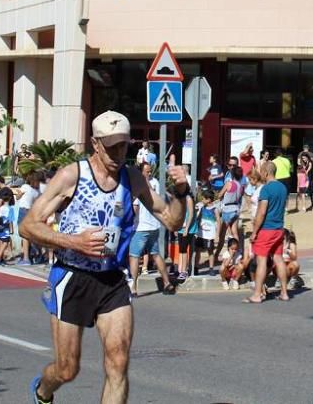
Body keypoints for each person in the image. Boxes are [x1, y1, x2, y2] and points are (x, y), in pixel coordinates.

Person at [20, 110, 188, 404]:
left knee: (118, 363)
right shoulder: (73, 175)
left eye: (123, 145)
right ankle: (43, 391)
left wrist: (183, 192)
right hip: (73, 276)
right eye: (111, 146)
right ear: (95, 144)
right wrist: (74, 242)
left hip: (113, 279)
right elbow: (28, 226)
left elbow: (171, 221)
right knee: (67, 369)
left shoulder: (132, 178)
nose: (118, 153)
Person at [244, 161, 290, 303]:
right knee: (278, 259)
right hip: (279, 228)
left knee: (261, 260)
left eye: (261, 171)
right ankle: (284, 292)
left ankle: (257, 294)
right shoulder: (283, 188)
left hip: (266, 229)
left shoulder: (266, 189)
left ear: (266, 172)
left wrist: (254, 232)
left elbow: (261, 212)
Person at [129, 163, 174, 296]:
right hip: (154, 225)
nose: (149, 173)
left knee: (134, 256)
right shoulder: (156, 183)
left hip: (141, 226)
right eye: (147, 171)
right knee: (156, 254)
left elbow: (135, 206)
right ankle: (167, 283)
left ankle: (134, 288)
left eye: (149, 171)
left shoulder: (139, 184)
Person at [214, 165, 244, 258]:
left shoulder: (229, 184)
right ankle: (237, 253)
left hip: (227, 210)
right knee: (235, 232)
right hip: (236, 209)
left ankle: (216, 255)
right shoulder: (241, 186)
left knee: (222, 235)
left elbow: (219, 195)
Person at [16, 171, 44, 265]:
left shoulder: (25, 187)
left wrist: (18, 193)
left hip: (24, 211)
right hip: (32, 213)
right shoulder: (37, 191)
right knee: (32, 236)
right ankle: (38, 255)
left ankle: (26, 258)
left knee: (24, 235)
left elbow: (18, 197)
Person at [194, 190, 218, 275]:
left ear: (208, 200)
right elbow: (198, 216)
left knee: (210, 251)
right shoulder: (201, 207)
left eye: (203, 199)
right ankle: (196, 267)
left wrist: (217, 234)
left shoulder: (214, 209)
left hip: (209, 235)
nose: (202, 200)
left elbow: (218, 221)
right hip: (200, 233)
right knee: (197, 251)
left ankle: (211, 268)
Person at [0, 194, 15, 266]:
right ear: (9, 199)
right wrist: (12, 229)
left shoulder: (0, 208)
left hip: (0, 227)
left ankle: (1, 259)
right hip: (6, 227)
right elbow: (10, 220)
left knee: (2, 242)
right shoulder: (10, 208)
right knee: (6, 242)